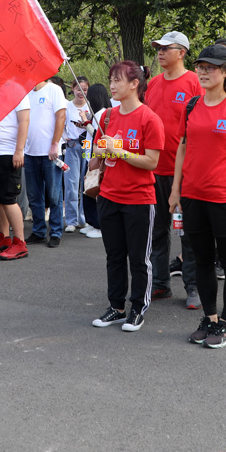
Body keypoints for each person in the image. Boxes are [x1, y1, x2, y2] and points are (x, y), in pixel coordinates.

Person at [169, 44, 226, 350]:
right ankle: (210, 318)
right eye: (200, 67)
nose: (203, 73)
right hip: (193, 196)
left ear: (225, 73)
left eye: (210, 68)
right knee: (202, 260)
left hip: (225, 197)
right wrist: (176, 189)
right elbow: (182, 147)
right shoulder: (191, 105)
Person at [90, 61, 164, 332]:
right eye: (110, 79)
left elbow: (152, 161)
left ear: (135, 84)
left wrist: (118, 151)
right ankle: (116, 306)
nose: (112, 84)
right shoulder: (107, 116)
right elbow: (95, 150)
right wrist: (100, 149)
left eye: (118, 80)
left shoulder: (150, 119)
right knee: (114, 256)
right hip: (108, 196)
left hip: (139, 200)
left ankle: (137, 309)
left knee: (139, 258)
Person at [144, 30, 202, 308]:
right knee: (156, 231)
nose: (160, 52)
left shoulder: (194, 82)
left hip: (186, 172)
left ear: (182, 53)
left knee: (188, 233)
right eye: (158, 48)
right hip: (154, 171)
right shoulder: (153, 83)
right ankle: (160, 284)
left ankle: (193, 287)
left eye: (166, 48)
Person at [24, 76, 68, 248]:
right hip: (30, 152)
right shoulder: (26, 94)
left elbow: (61, 116)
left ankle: (56, 232)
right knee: (34, 195)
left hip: (50, 153)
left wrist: (55, 144)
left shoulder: (53, 89)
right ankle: (39, 231)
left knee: (54, 194)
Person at [0, 95, 31, 261]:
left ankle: (20, 243)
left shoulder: (18, 92)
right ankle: (3, 238)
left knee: (8, 199)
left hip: (8, 153)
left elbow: (24, 121)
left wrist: (19, 150)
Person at [79, 84, 111, 240]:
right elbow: (89, 139)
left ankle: (99, 225)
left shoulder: (102, 113)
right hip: (89, 155)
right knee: (88, 190)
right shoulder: (97, 113)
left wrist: (86, 123)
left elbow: (99, 136)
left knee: (94, 190)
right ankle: (92, 222)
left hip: (96, 158)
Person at [63, 77, 89, 232]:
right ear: (73, 89)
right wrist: (64, 138)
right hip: (72, 145)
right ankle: (71, 220)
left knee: (85, 183)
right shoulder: (66, 106)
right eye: (79, 89)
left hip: (87, 145)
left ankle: (83, 217)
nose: (82, 93)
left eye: (85, 90)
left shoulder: (90, 107)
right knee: (71, 183)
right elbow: (60, 125)